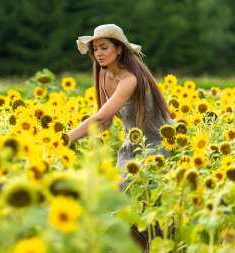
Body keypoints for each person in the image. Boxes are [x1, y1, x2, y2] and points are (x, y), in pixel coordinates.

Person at [68, 24, 173, 252]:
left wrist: (67, 138)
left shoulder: (131, 78)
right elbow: (105, 121)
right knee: (122, 206)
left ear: (119, 49)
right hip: (131, 145)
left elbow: (101, 116)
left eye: (104, 47)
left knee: (144, 205)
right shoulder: (103, 75)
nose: (98, 53)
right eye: (95, 49)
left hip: (158, 145)